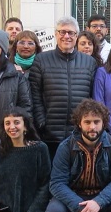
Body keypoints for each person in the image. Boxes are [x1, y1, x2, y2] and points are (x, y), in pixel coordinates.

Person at [29, 16, 97, 158]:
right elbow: (34, 95)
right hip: (49, 135)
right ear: (56, 34)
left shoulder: (89, 62)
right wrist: (42, 121)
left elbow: (93, 96)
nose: (66, 36)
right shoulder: (41, 60)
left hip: (80, 134)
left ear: (76, 36)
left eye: (71, 33)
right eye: (62, 32)